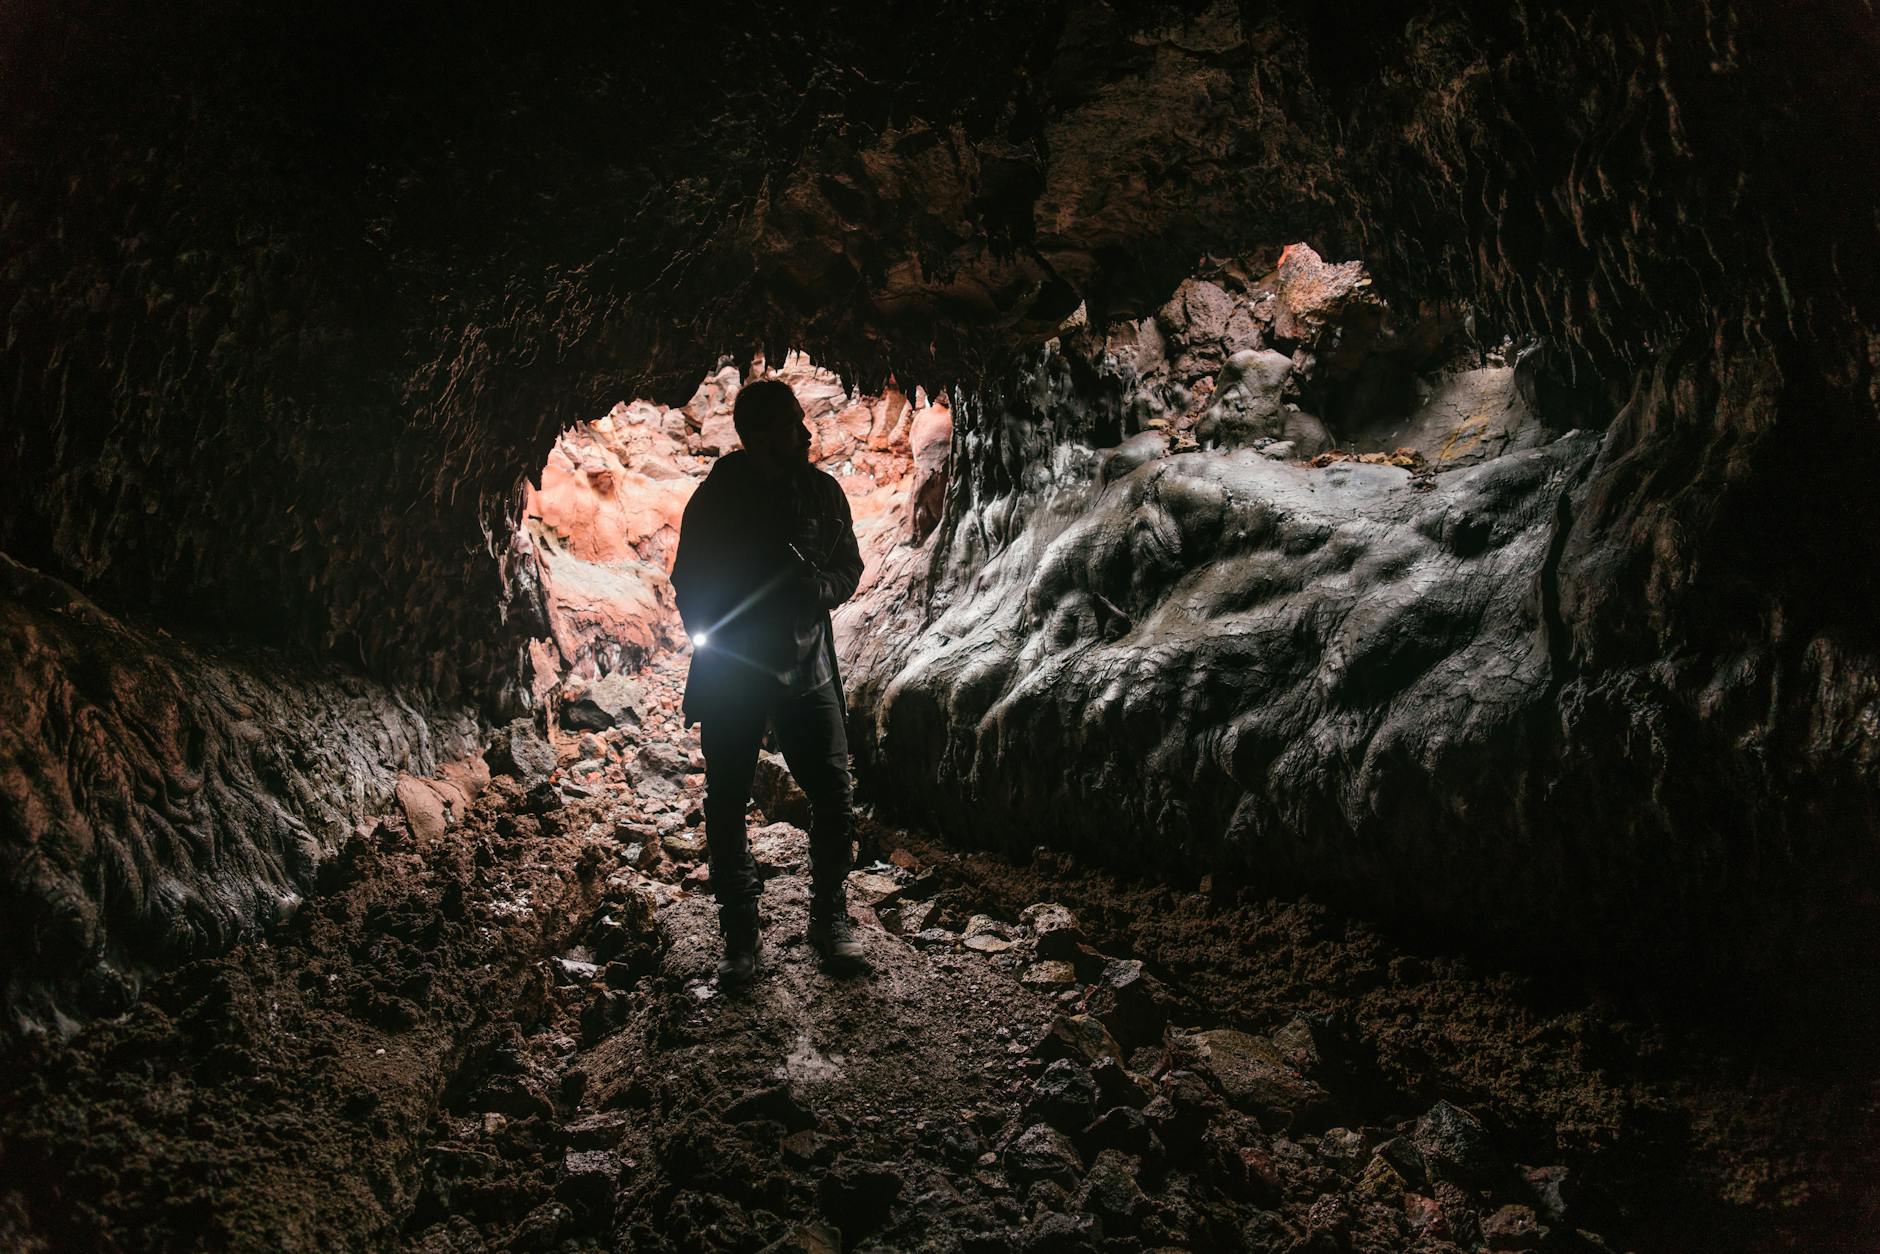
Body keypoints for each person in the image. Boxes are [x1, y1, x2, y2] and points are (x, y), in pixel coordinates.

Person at [669, 377, 866, 985]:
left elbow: (848, 566)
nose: (804, 435)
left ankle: (830, 916)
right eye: (789, 427)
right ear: (757, 438)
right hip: (733, 673)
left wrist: (820, 590)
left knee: (833, 794)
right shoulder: (718, 499)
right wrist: (729, 628)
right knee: (727, 799)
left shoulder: (823, 494)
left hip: (807, 669)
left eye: (802, 423)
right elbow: (687, 582)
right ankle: (740, 934)